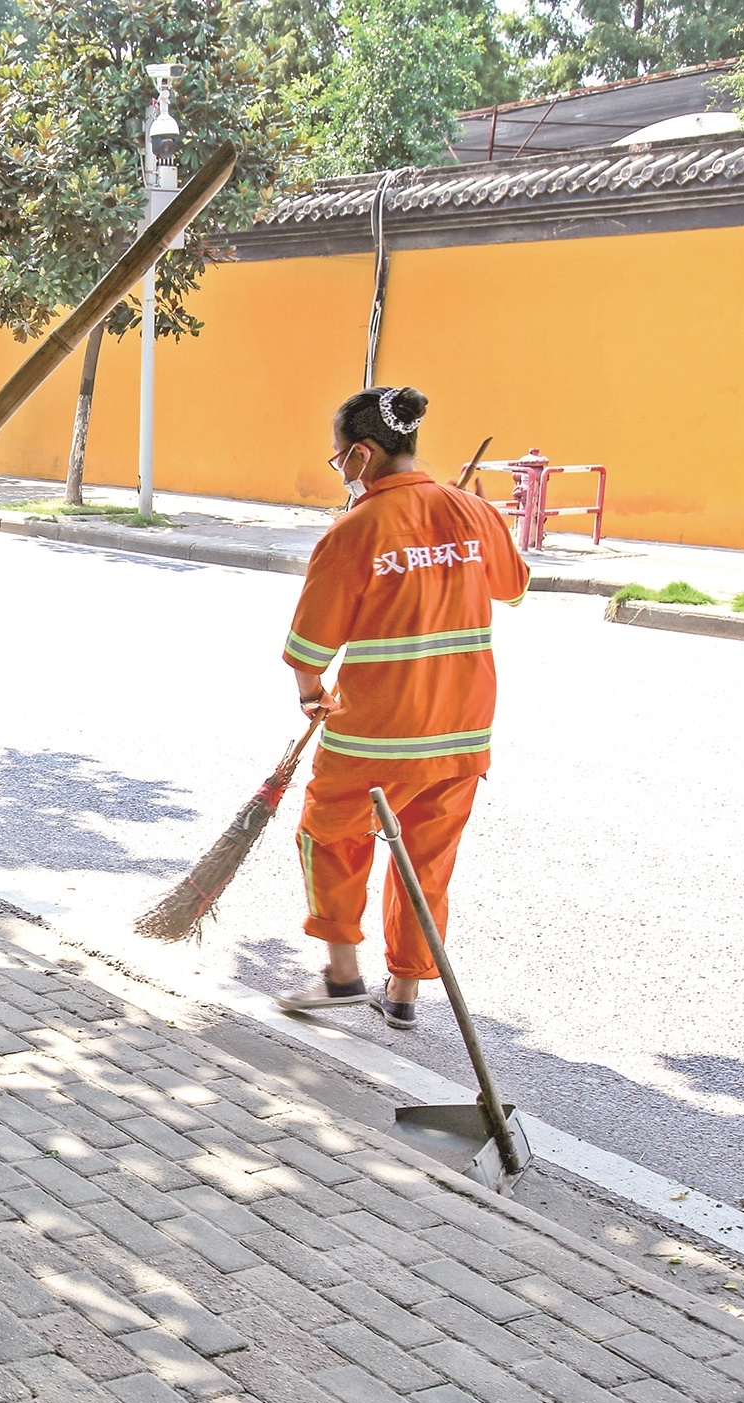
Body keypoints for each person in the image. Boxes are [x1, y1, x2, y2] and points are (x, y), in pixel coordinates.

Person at [272, 386, 529, 1029]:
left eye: (339, 460)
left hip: (375, 736)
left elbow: (310, 648)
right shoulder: (472, 511)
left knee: (328, 837)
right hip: (462, 731)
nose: (341, 472)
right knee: (426, 865)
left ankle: (341, 977)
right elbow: (514, 588)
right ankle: (406, 995)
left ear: (362, 455)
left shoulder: (355, 530)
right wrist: (472, 526)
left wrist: (309, 697)